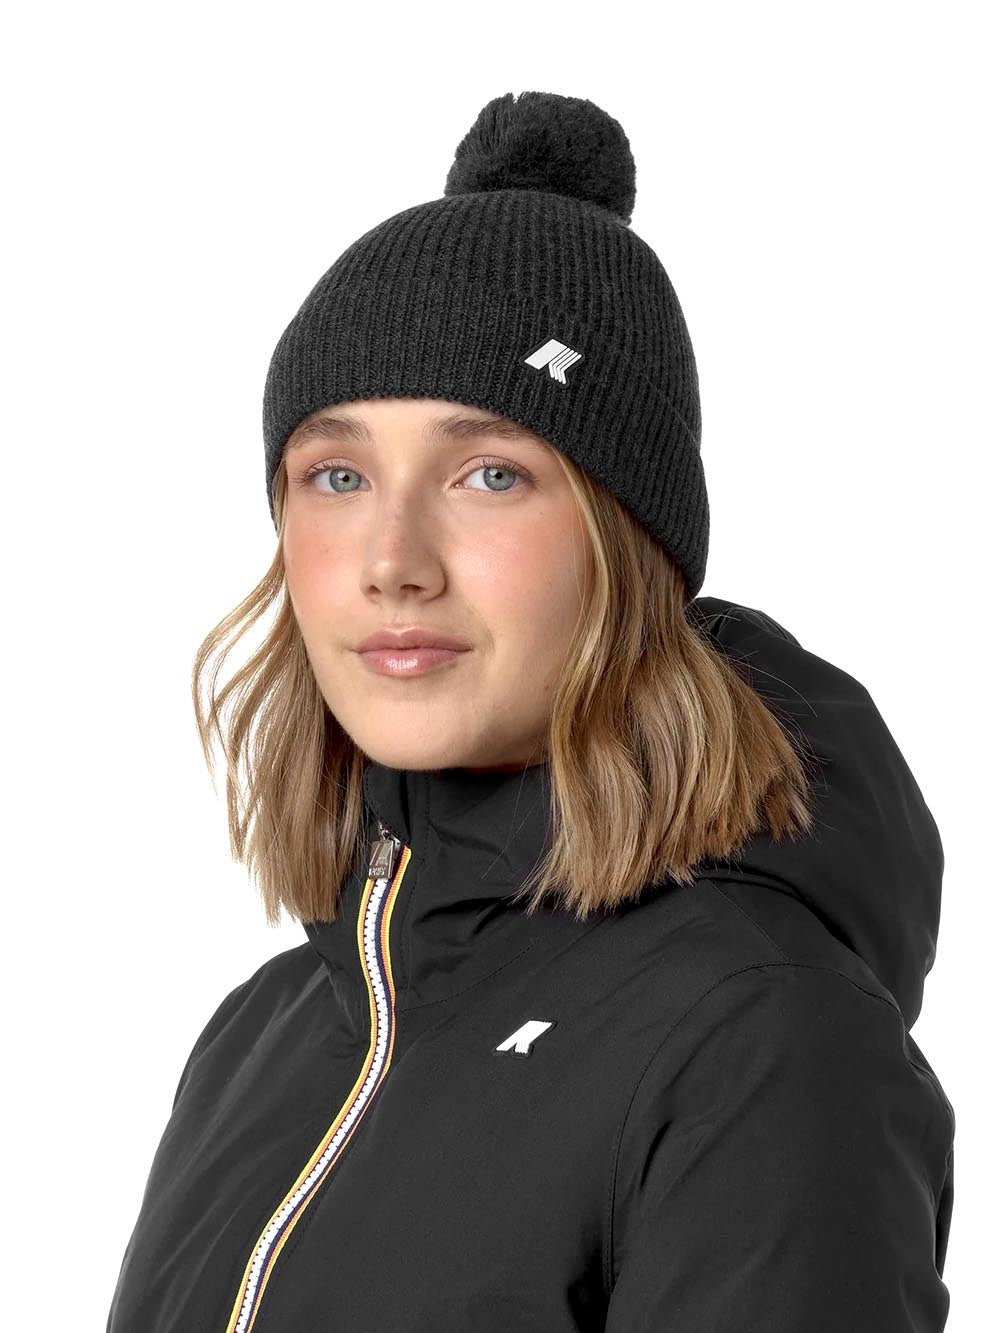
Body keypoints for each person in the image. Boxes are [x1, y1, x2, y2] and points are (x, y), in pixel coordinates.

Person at [105, 91, 955, 1332]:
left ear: (625, 540)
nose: (392, 559)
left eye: (490, 473)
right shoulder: (261, 1039)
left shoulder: (758, 1034)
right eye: (336, 475)